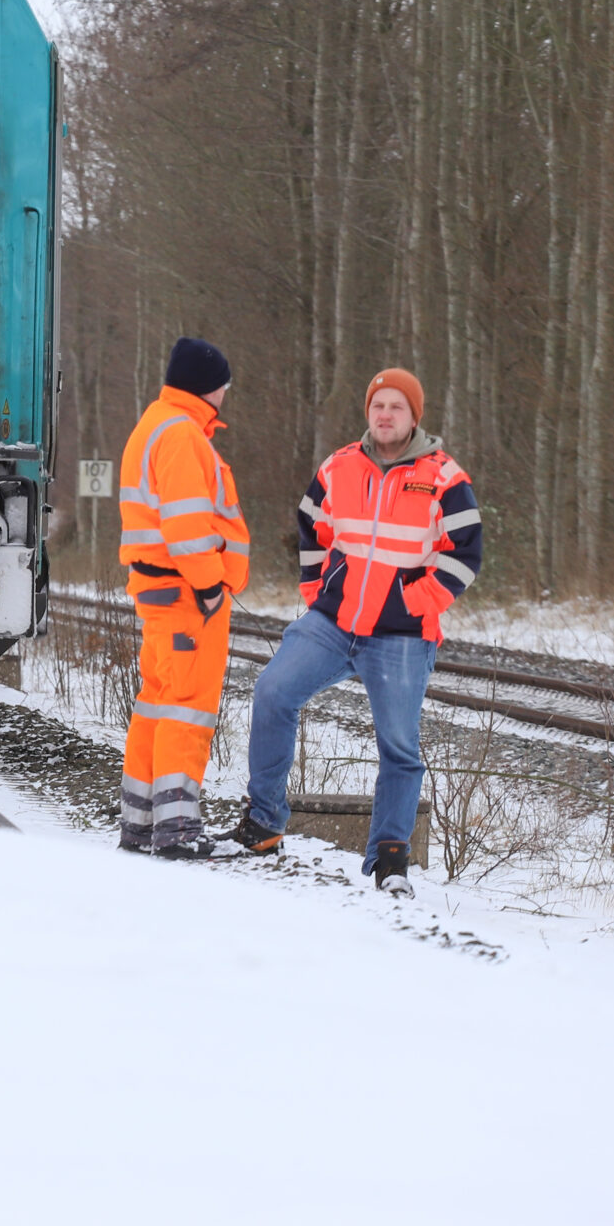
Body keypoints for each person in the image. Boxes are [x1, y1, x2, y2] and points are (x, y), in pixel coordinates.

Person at [223, 368, 483, 895]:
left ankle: (391, 859)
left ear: (414, 417)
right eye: (378, 405)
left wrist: (414, 603)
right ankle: (264, 823)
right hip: (333, 623)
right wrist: (320, 592)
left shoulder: (443, 477)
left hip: (402, 636)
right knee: (274, 692)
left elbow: (465, 554)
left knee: (399, 745)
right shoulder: (339, 466)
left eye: (396, 407)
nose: (384, 414)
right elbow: (311, 528)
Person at [115, 337, 251, 857]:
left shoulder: (156, 423)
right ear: (208, 386)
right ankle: (177, 831)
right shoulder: (182, 434)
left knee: (155, 702)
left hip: (159, 590)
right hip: (187, 595)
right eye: (224, 387)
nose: (225, 397)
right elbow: (188, 527)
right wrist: (211, 585)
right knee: (186, 707)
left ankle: (141, 824)